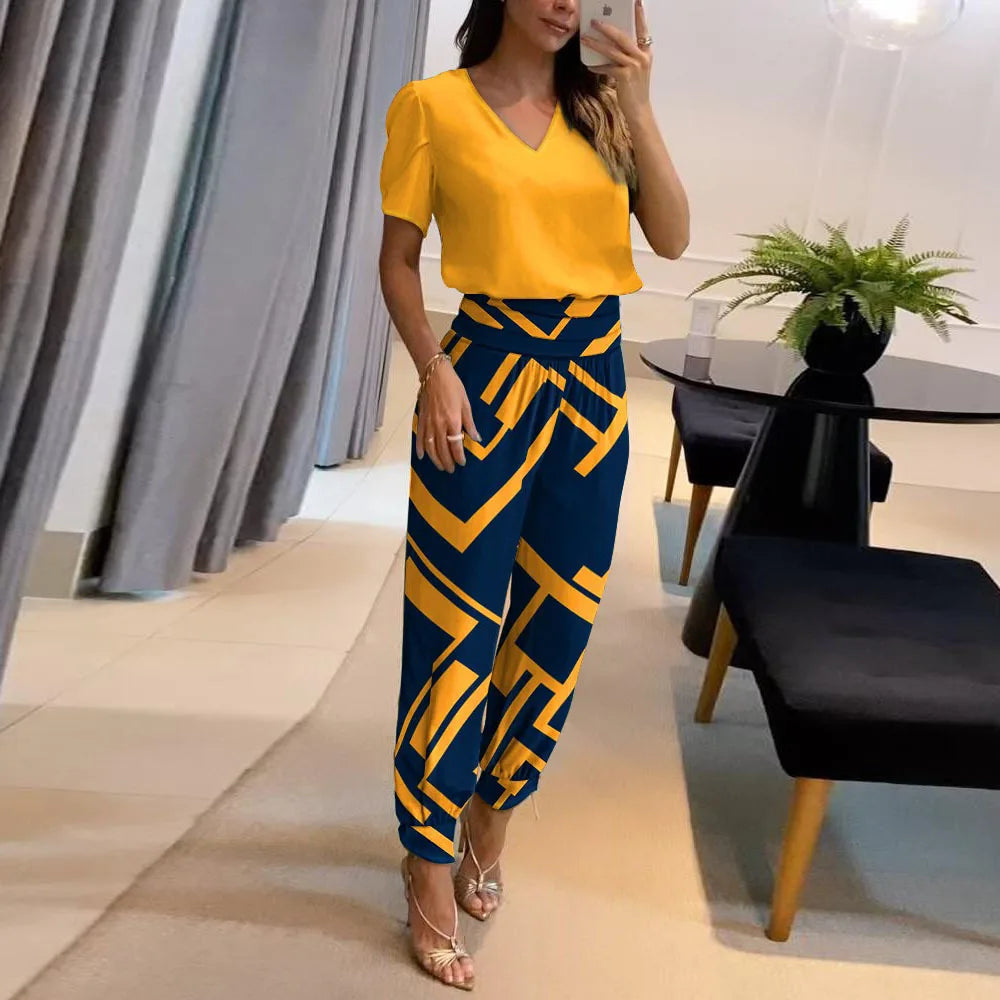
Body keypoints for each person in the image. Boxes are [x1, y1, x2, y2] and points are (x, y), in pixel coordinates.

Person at [378, 0, 688, 989]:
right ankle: (427, 860)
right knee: (453, 624)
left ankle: (491, 820)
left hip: (593, 387)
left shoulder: (603, 112)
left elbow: (673, 238)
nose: (565, 5)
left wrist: (639, 103)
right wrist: (434, 369)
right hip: (482, 379)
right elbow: (397, 261)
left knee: (556, 625)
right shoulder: (432, 106)